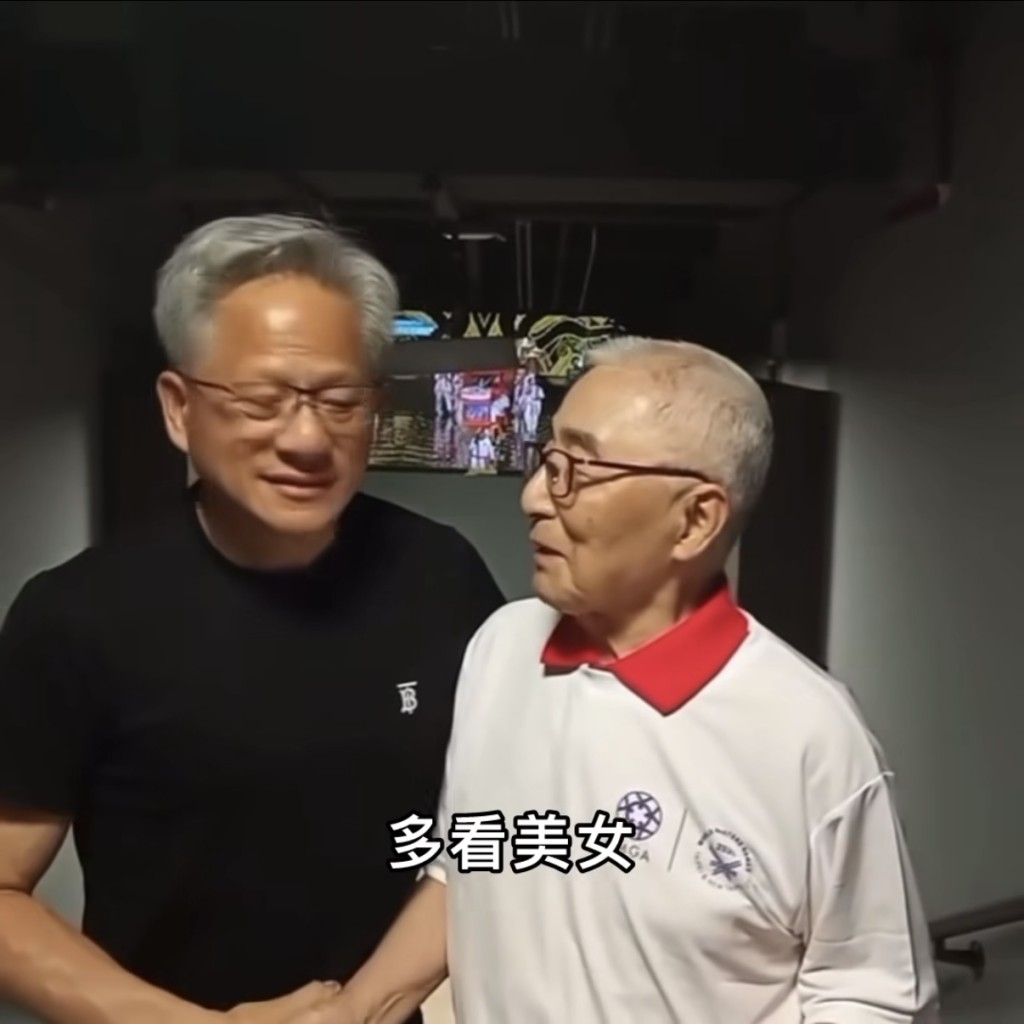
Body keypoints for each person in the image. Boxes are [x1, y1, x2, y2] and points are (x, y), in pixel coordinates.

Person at [297, 337, 940, 1024]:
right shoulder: (501, 648)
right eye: (548, 460)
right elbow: (471, 865)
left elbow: (873, 994)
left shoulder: (808, 733)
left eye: (577, 470)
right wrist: (357, 1008)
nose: (534, 498)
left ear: (695, 519)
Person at [0, 214, 504, 1023]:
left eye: (340, 400)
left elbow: (487, 835)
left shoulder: (442, 576)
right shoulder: (77, 616)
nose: (306, 438)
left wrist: (361, 1008)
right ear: (179, 409)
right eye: (262, 400)